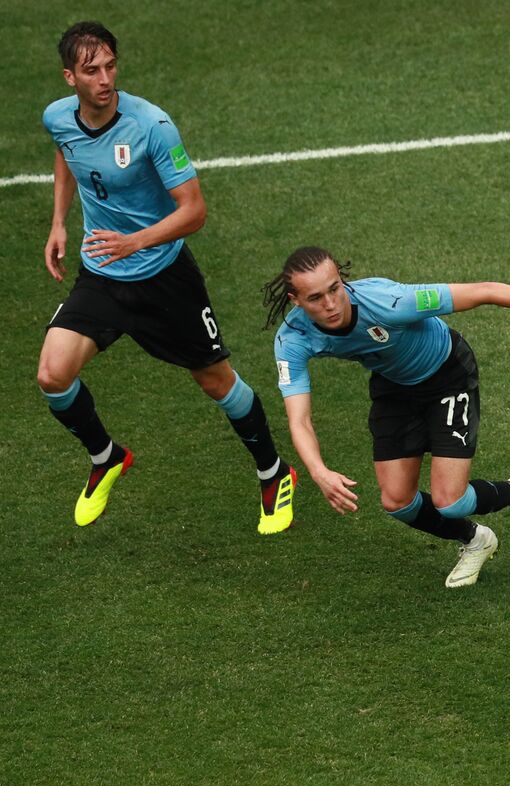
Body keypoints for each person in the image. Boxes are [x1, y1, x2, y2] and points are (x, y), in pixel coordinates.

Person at [36, 21, 296, 533]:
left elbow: (194, 212)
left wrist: (135, 241)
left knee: (216, 381)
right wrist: (58, 223)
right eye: (92, 71)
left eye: (111, 66)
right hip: (103, 273)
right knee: (52, 375)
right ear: (71, 77)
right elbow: (67, 154)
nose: (105, 78)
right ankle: (107, 456)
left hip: (163, 278)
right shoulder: (57, 118)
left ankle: (274, 472)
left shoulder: (152, 126)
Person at [263, 247, 510, 587]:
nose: (329, 304)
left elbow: (485, 291)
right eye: (314, 298)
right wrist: (319, 471)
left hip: (447, 374)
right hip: (394, 387)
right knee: (396, 502)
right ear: (295, 301)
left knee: (451, 502)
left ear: (341, 279)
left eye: (334, 289)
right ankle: (475, 540)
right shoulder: (293, 339)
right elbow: (300, 420)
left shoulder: (390, 302)